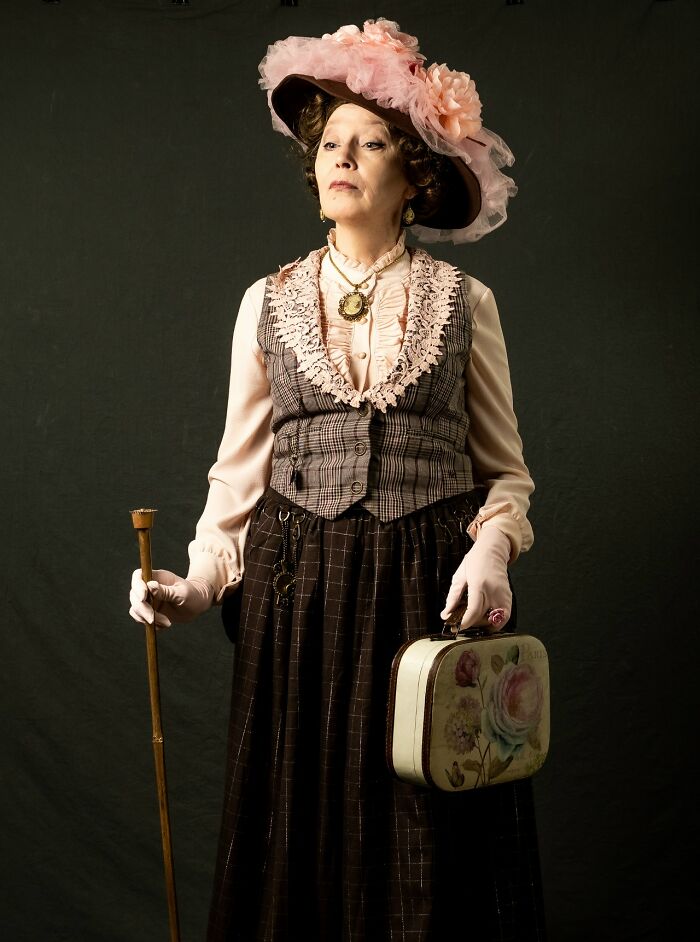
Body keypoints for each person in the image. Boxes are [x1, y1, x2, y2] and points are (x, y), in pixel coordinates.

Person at [129, 18, 545, 942]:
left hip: (425, 592)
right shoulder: (266, 302)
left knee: (424, 840)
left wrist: (491, 553)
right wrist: (195, 584)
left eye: (371, 143)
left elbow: (507, 476)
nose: (342, 158)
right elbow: (237, 476)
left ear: (415, 177)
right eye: (329, 144)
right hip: (298, 598)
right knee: (301, 832)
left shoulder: (466, 303)